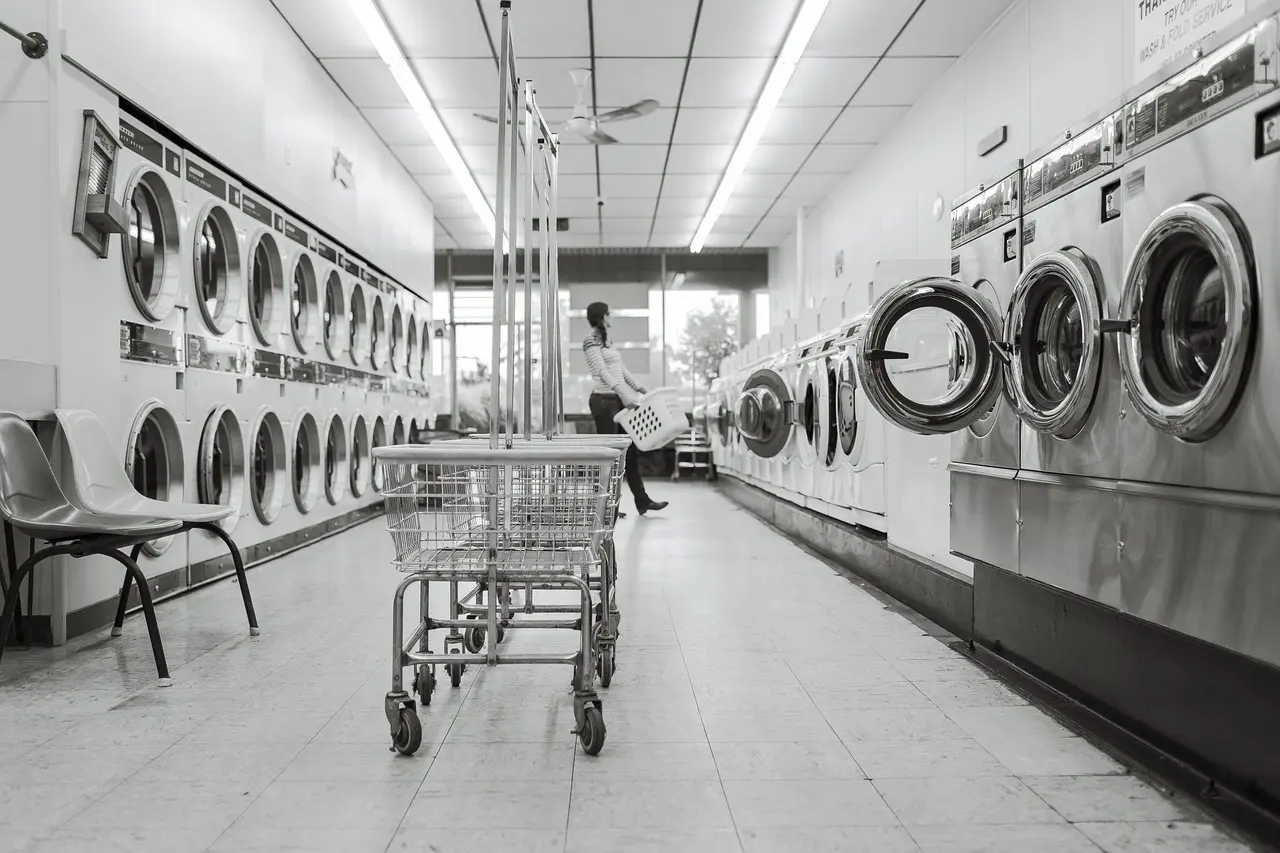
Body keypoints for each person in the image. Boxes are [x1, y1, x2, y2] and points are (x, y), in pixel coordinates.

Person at [582, 301, 668, 516]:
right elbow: (601, 371)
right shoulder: (590, 341)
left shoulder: (607, 342)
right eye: (609, 314)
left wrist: (642, 390)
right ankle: (604, 507)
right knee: (609, 456)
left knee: (630, 453)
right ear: (603, 317)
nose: (612, 317)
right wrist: (623, 393)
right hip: (603, 401)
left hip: (617, 400)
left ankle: (642, 501)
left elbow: (622, 371)